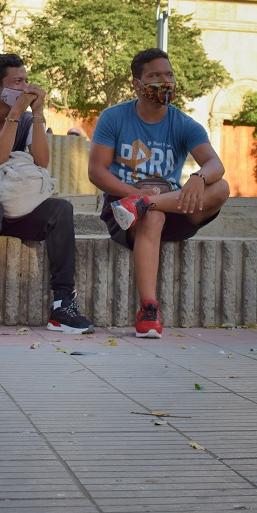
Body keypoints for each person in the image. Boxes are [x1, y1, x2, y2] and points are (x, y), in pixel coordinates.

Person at [0, 53, 94, 337]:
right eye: (17, 82)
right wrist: (15, 115)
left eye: (27, 80)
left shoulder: (25, 120)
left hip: (18, 206)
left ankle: (63, 305)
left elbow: (42, 161)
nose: (26, 88)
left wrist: (36, 115)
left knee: (61, 210)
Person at [89, 48, 230, 338]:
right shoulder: (114, 118)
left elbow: (215, 164)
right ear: (137, 84)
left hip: (171, 205)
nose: (164, 81)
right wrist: (132, 194)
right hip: (123, 211)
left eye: (169, 74)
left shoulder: (183, 123)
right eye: (154, 76)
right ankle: (149, 309)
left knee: (222, 187)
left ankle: (146, 203)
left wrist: (199, 178)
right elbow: (97, 172)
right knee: (152, 218)